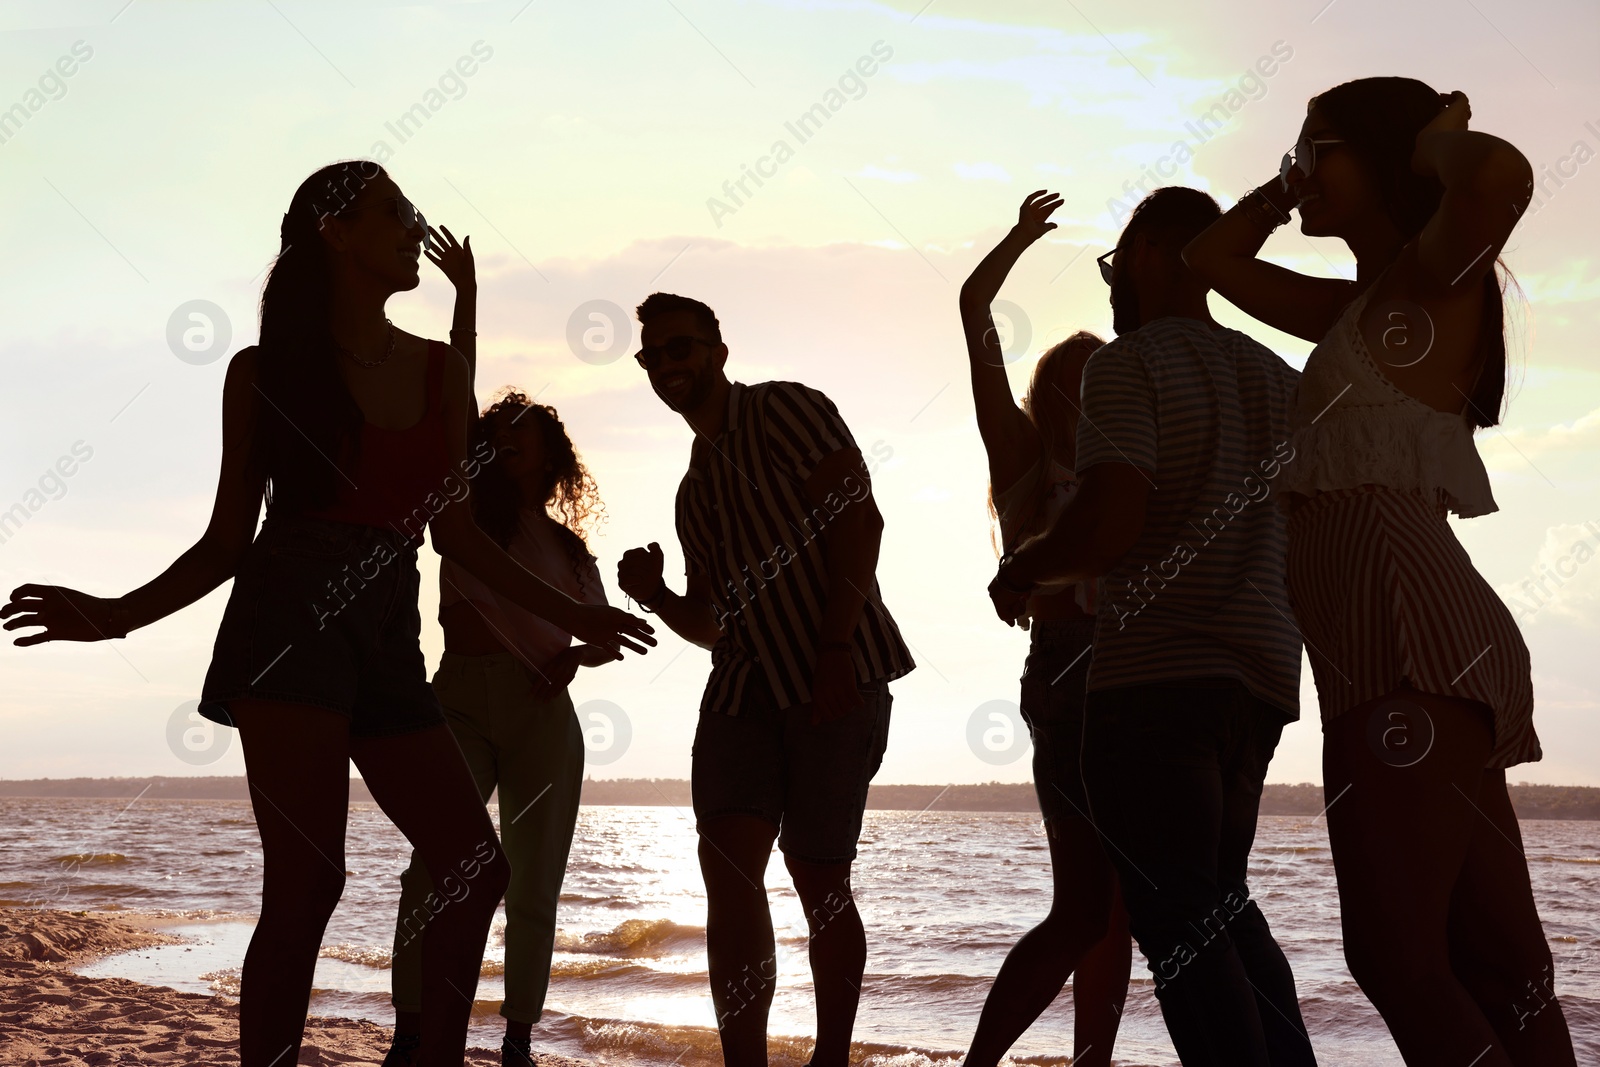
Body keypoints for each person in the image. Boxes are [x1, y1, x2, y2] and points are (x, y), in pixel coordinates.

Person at [0, 161, 655, 1067]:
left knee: (476, 869)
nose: (411, 226)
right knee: (308, 884)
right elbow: (228, 542)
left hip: (386, 627)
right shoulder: (263, 373)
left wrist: (577, 617)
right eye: (394, 212)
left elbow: (458, 537)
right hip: (286, 622)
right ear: (335, 233)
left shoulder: (439, 373)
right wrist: (113, 616)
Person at [1182, 79, 1576, 1067]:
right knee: (1499, 963)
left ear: (1386, 160)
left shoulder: (1431, 275)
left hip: (1403, 633)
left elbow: (1496, 178)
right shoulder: (1370, 304)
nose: (1302, 170)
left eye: (1319, 150)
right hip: (1391, 640)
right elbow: (1209, 261)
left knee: (1398, 956)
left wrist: (1438, 140)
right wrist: (1286, 186)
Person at [989, 186, 1316, 1067]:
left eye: (1112, 262)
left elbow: (1109, 523)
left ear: (1144, 256)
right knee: (1222, 902)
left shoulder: (1128, 365)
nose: (1109, 284)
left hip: (1156, 674)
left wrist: (1022, 568)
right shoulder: (1280, 378)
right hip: (1262, 675)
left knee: (1178, 924)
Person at [614, 292, 914, 1067]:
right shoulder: (694, 490)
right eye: (654, 356)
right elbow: (713, 622)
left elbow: (859, 519)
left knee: (819, 874)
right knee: (728, 866)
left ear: (716, 349)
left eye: (681, 347)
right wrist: (658, 597)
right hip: (744, 688)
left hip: (836, 677)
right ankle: (743, 1058)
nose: (668, 366)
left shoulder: (785, 410)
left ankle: (831, 1057)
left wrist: (836, 649)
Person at [384, 231, 619, 1067]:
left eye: (531, 431)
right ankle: (410, 1029)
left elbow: (591, 635)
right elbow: (459, 382)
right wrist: (467, 297)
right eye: (502, 428)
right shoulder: (462, 511)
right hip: (458, 698)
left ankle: (517, 1036)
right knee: (435, 869)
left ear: (553, 457)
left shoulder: (570, 549)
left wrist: (578, 653)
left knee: (533, 883)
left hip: (542, 715)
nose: (511, 436)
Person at [956, 191, 1131, 1067]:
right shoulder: (1025, 459)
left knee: (1116, 906)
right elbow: (973, 314)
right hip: (1067, 674)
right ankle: (979, 1062)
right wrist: (1019, 240)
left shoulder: (1130, 467)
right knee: (1081, 904)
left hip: (1137, 676)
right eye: (1079, 369)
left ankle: (1090, 1062)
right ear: (1050, 389)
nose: (1096, 379)